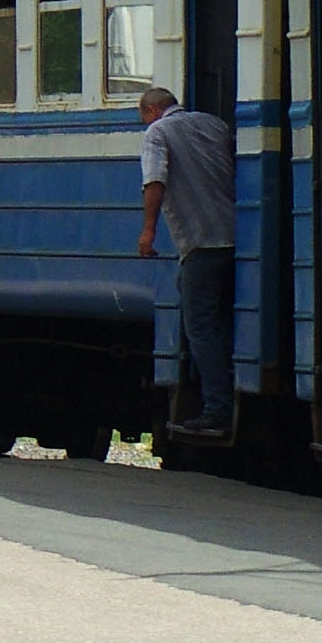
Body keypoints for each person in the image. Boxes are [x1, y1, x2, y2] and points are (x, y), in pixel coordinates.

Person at [133, 81, 236, 438]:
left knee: (200, 327)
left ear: (150, 111)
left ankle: (218, 408)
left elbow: (155, 181)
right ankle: (224, 394)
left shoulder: (157, 133)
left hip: (200, 243)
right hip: (235, 237)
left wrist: (148, 230)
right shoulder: (213, 124)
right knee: (219, 321)